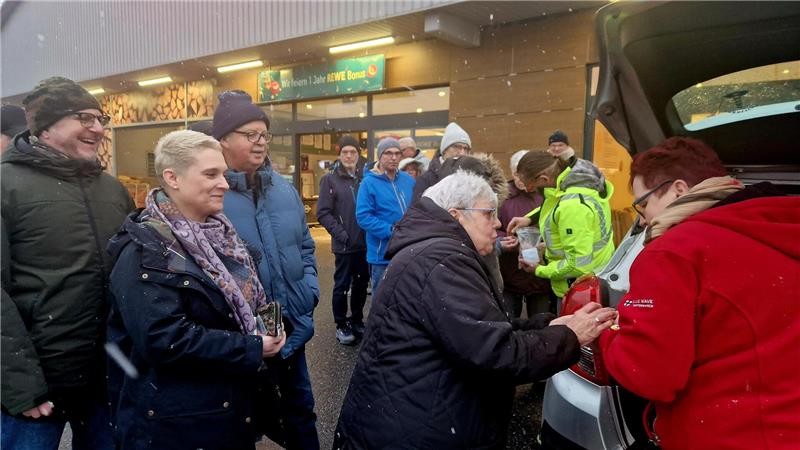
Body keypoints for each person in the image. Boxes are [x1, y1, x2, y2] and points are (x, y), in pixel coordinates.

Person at [334, 171, 617, 449]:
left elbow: (480, 329)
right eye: (489, 213)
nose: (498, 223)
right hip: (418, 431)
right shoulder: (441, 260)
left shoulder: (434, 253)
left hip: (408, 419)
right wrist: (568, 336)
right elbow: (496, 354)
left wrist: (547, 327)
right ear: (456, 215)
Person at [599, 137, 800, 449]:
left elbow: (650, 376)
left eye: (643, 203)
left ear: (678, 189)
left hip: (725, 435)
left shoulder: (674, 252)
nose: (641, 219)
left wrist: (607, 335)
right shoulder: (782, 229)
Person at [106, 130, 286, 449]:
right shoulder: (144, 250)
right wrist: (250, 347)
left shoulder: (223, 238)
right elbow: (164, 339)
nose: (225, 184)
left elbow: (242, 305)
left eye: (224, 173)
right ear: (172, 178)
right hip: (177, 425)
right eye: (210, 174)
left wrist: (269, 328)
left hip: (226, 411)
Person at [1, 77, 134, 449]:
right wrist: (20, 386)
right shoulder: (5, 185)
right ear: (46, 126)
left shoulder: (113, 190)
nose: (98, 128)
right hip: (37, 389)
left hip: (106, 379)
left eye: (100, 119)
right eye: (84, 118)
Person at [213, 90, 320, 450]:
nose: (260, 143)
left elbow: (306, 246)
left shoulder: (284, 190)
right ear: (223, 140)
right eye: (250, 135)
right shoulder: (211, 195)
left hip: (290, 324)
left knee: (301, 412)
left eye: (264, 135)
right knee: (242, 424)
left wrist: (309, 289)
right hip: (241, 337)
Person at [509, 150, 615, 300]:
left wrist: (539, 270)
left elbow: (578, 265)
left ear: (544, 179)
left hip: (580, 292)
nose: (527, 190)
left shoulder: (572, 207)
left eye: (530, 186)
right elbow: (557, 208)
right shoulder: (578, 185)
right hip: (592, 282)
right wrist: (529, 219)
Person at [316, 135, 369, 346]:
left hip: (365, 244)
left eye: (353, 152)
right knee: (342, 286)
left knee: (361, 284)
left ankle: (356, 319)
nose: (349, 156)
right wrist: (342, 235)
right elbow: (323, 212)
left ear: (358, 155)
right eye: (345, 152)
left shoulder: (365, 178)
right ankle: (341, 323)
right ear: (339, 155)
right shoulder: (330, 179)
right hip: (345, 244)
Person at [497, 150, 553, 317]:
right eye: (516, 173)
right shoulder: (502, 197)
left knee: (542, 324)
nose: (521, 179)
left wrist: (541, 243)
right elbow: (493, 227)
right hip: (510, 276)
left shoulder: (547, 195)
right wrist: (505, 240)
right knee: (509, 324)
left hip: (541, 277)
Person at [355, 137, 414, 292]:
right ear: (379, 156)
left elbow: (417, 208)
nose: (393, 157)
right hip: (382, 254)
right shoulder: (369, 183)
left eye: (397, 153)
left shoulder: (408, 181)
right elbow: (363, 217)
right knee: (382, 298)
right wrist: (391, 231)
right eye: (388, 153)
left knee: (405, 296)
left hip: (406, 250)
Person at [411, 122, 471, 202]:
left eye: (466, 149)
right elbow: (416, 210)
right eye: (457, 147)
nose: (462, 153)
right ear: (445, 150)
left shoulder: (471, 177)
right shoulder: (425, 179)